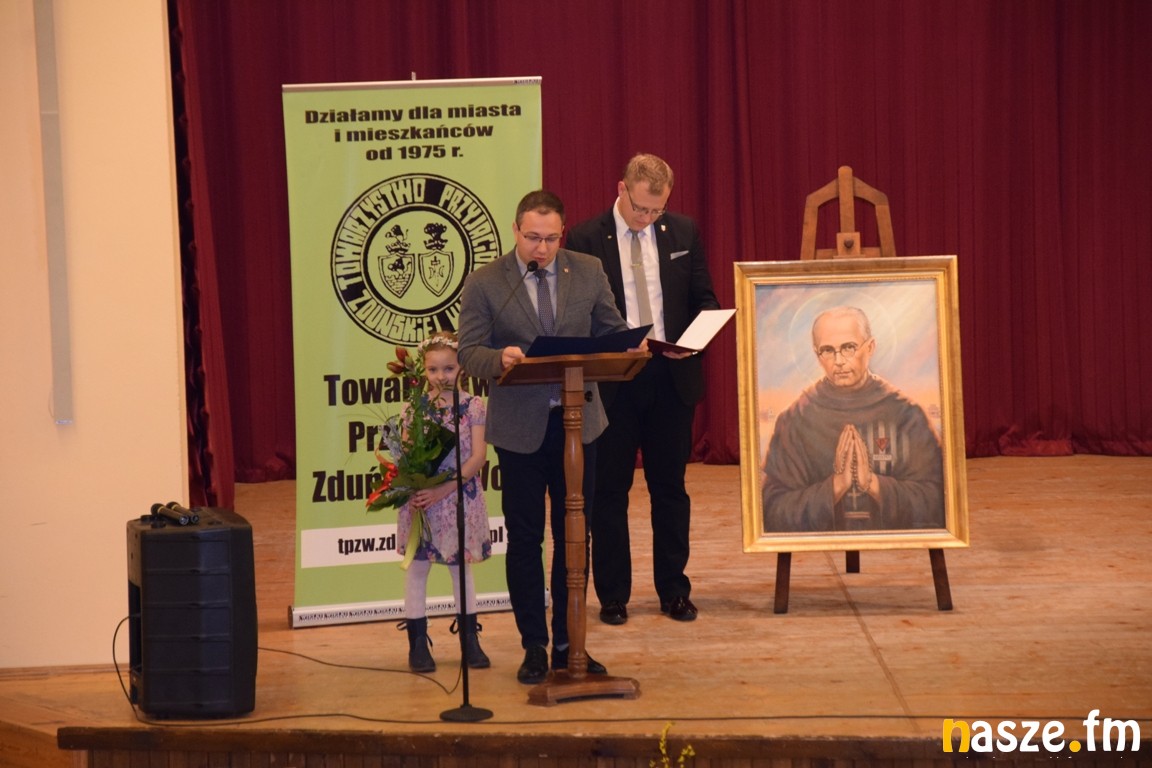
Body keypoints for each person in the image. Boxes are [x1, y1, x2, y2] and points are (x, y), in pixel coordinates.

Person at [457, 189, 631, 684]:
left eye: (552, 238)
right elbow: (469, 351)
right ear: (515, 230)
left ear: (563, 233)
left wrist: (636, 345)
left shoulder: (588, 270)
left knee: (575, 534)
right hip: (521, 430)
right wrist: (501, 358)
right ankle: (534, 644)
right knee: (526, 538)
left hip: (580, 424)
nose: (542, 248)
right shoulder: (486, 282)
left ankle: (570, 643)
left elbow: (612, 332)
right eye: (533, 237)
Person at [565, 154, 719, 625]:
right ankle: (613, 595)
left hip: (670, 378)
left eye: (657, 210)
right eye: (640, 208)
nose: (648, 218)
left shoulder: (683, 232)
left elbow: (704, 300)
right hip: (614, 380)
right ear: (622, 189)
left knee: (670, 488)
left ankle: (674, 590)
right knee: (610, 490)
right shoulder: (586, 238)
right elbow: (577, 314)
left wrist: (693, 343)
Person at [761, 306, 946, 532]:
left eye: (849, 347)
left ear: (870, 347)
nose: (839, 361)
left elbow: (937, 500)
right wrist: (835, 487)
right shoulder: (795, 419)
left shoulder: (906, 415)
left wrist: (874, 484)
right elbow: (773, 510)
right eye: (828, 350)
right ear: (817, 355)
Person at [393, 331, 492, 673]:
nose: (441, 377)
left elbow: (478, 457)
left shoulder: (473, 406)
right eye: (433, 370)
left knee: (460, 568)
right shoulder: (414, 408)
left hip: (458, 498)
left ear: (461, 367)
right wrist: (418, 484)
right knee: (418, 568)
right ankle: (418, 642)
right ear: (423, 370)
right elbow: (407, 454)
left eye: (448, 369)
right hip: (424, 501)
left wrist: (444, 489)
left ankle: (470, 638)